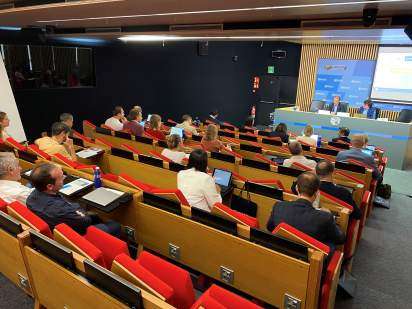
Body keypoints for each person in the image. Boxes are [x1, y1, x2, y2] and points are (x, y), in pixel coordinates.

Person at [27, 163, 120, 236]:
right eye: (61, 177)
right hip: (76, 235)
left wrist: (76, 211)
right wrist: (79, 211)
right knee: (114, 225)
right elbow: (85, 221)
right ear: (50, 186)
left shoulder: (31, 198)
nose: (64, 178)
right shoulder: (60, 209)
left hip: (62, 225)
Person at [266, 172, 345, 249]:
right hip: (311, 259)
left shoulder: (278, 206)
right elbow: (340, 239)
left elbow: (270, 228)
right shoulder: (325, 217)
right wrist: (333, 221)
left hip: (282, 251)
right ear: (317, 193)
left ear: (297, 188)